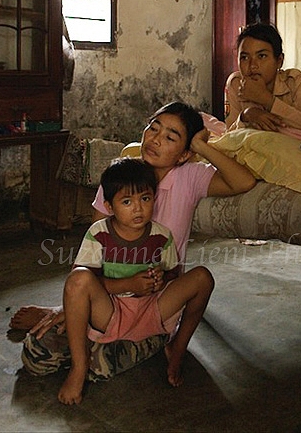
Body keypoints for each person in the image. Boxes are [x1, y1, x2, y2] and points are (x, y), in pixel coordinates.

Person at [9, 102, 256, 369]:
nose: (155, 140)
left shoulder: (190, 177)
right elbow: (92, 259)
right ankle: (72, 317)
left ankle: (127, 340)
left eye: (170, 138)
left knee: (93, 358)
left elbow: (243, 182)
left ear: (184, 154)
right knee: (38, 353)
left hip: (158, 300)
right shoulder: (118, 178)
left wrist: (201, 147)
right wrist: (81, 302)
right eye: (154, 128)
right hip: (112, 297)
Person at [54, 156, 215, 404]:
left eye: (145, 198)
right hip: (111, 312)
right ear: (109, 206)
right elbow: (83, 284)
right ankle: (79, 366)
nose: (138, 208)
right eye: (127, 201)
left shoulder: (162, 236)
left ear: (154, 198)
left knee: (203, 277)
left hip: (152, 310)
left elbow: (174, 276)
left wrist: (162, 280)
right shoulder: (99, 234)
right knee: (77, 279)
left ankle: (178, 349)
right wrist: (128, 285)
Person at [224, 22, 301, 141]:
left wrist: (267, 100)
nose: (252, 66)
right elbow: (228, 138)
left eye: (262, 56)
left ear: (279, 61)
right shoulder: (235, 83)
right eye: (244, 58)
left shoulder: (293, 80)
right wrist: (246, 115)